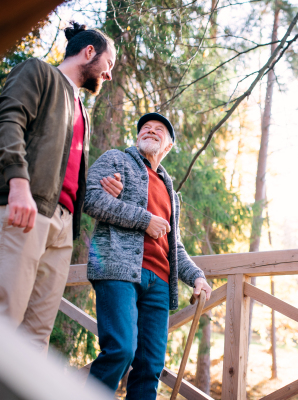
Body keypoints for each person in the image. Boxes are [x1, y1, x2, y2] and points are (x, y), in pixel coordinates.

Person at [0, 22, 120, 353]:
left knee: (36, 338)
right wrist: (18, 185)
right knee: (2, 321)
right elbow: (7, 121)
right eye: (108, 65)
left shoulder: (82, 109)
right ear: (89, 52)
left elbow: (57, 164)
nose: (109, 75)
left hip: (61, 229)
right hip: (22, 209)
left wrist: (94, 185)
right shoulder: (38, 72)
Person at [84, 112, 212, 399]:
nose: (151, 131)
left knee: (149, 366)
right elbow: (91, 198)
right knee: (120, 349)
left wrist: (197, 277)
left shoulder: (170, 191)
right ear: (138, 136)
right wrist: (145, 220)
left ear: (167, 146)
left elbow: (174, 244)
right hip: (118, 271)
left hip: (159, 284)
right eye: (146, 128)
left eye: (159, 130)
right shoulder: (117, 160)